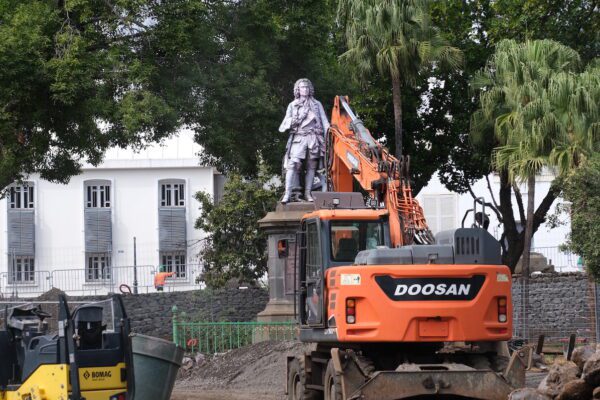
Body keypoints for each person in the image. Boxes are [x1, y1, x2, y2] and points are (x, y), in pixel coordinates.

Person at [279, 78, 330, 203]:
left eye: (307, 87)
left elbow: (325, 122)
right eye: (302, 87)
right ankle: (288, 193)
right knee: (293, 164)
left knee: (311, 167)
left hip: (314, 139)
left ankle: (308, 194)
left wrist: (329, 135)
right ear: (298, 90)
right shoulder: (292, 105)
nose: (305, 89)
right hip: (299, 138)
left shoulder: (317, 104)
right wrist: (298, 118)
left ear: (310, 89)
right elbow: (284, 123)